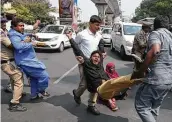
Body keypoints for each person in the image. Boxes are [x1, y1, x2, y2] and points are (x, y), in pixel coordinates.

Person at [133, 15, 172, 122]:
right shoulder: (170, 36)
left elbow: (155, 51)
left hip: (156, 79)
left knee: (142, 107)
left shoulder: (156, 33)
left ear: (155, 25)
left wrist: (141, 71)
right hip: (168, 80)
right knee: (154, 107)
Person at [8, 18, 50, 100]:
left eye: (23, 25)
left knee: (34, 78)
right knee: (44, 76)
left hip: (29, 60)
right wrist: (31, 43)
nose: (22, 27)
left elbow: (22, 36)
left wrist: (31, 35)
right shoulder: (13, 35)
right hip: (26, 62)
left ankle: (34, 95)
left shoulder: (17, 33)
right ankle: (41, 90)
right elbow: (18, 46)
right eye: (20, 26)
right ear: (14, 26)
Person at [72, 15, 106, 106]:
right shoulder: (82, 34)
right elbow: (75, 46)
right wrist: (77, 56)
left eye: (99, 25)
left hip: (96, 64)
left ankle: (91, 105)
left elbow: (100, 47)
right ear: (90, 24)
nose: (98, 27)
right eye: (96, 25)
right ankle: (77, 94)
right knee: (84, 84)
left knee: (96, 84)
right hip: (84, 63)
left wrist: (102, 53)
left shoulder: (99, 35)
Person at [0, 17, 27, 112]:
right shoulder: (1, 33)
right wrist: (23, 42)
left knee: (14, 78)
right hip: (6, 61)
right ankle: (14, 104)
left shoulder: (5, 31)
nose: (3, 23)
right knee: (18, 78)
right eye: (1, 22)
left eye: (4, 22)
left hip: (8, 61)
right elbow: (12, 45)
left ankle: (16, 93)